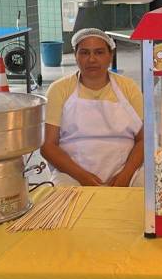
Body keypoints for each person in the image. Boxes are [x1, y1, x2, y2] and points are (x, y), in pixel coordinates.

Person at [41, 28, 144, 187]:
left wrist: (125, 175)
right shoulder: (59, 89)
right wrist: (82, 177)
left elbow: (143, 140)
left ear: (110, 55)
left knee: (148, 194)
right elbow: (48, 146)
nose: (92, 59)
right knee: (61, 196)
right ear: (75, 56)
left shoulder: (128, 88)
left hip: (125, 170)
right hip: (72, 173)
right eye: (84, 53)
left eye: (99, 52)